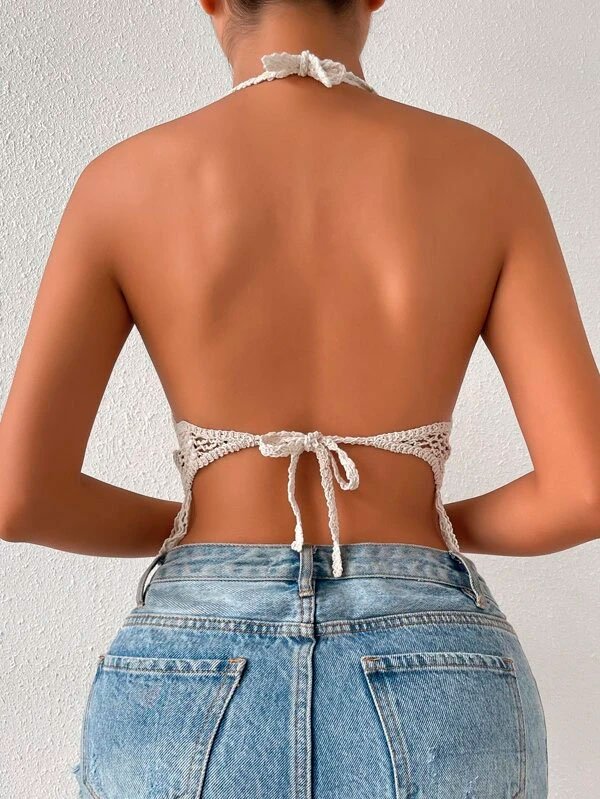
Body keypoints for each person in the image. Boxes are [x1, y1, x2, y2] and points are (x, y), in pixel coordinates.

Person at [1, 0, 598, 796]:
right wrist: (420, 524)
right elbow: (585, 492)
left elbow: (20, 497)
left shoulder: (123, 179)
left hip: (191, 658)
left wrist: (204, 528)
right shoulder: (486, 172)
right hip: (436, 656)